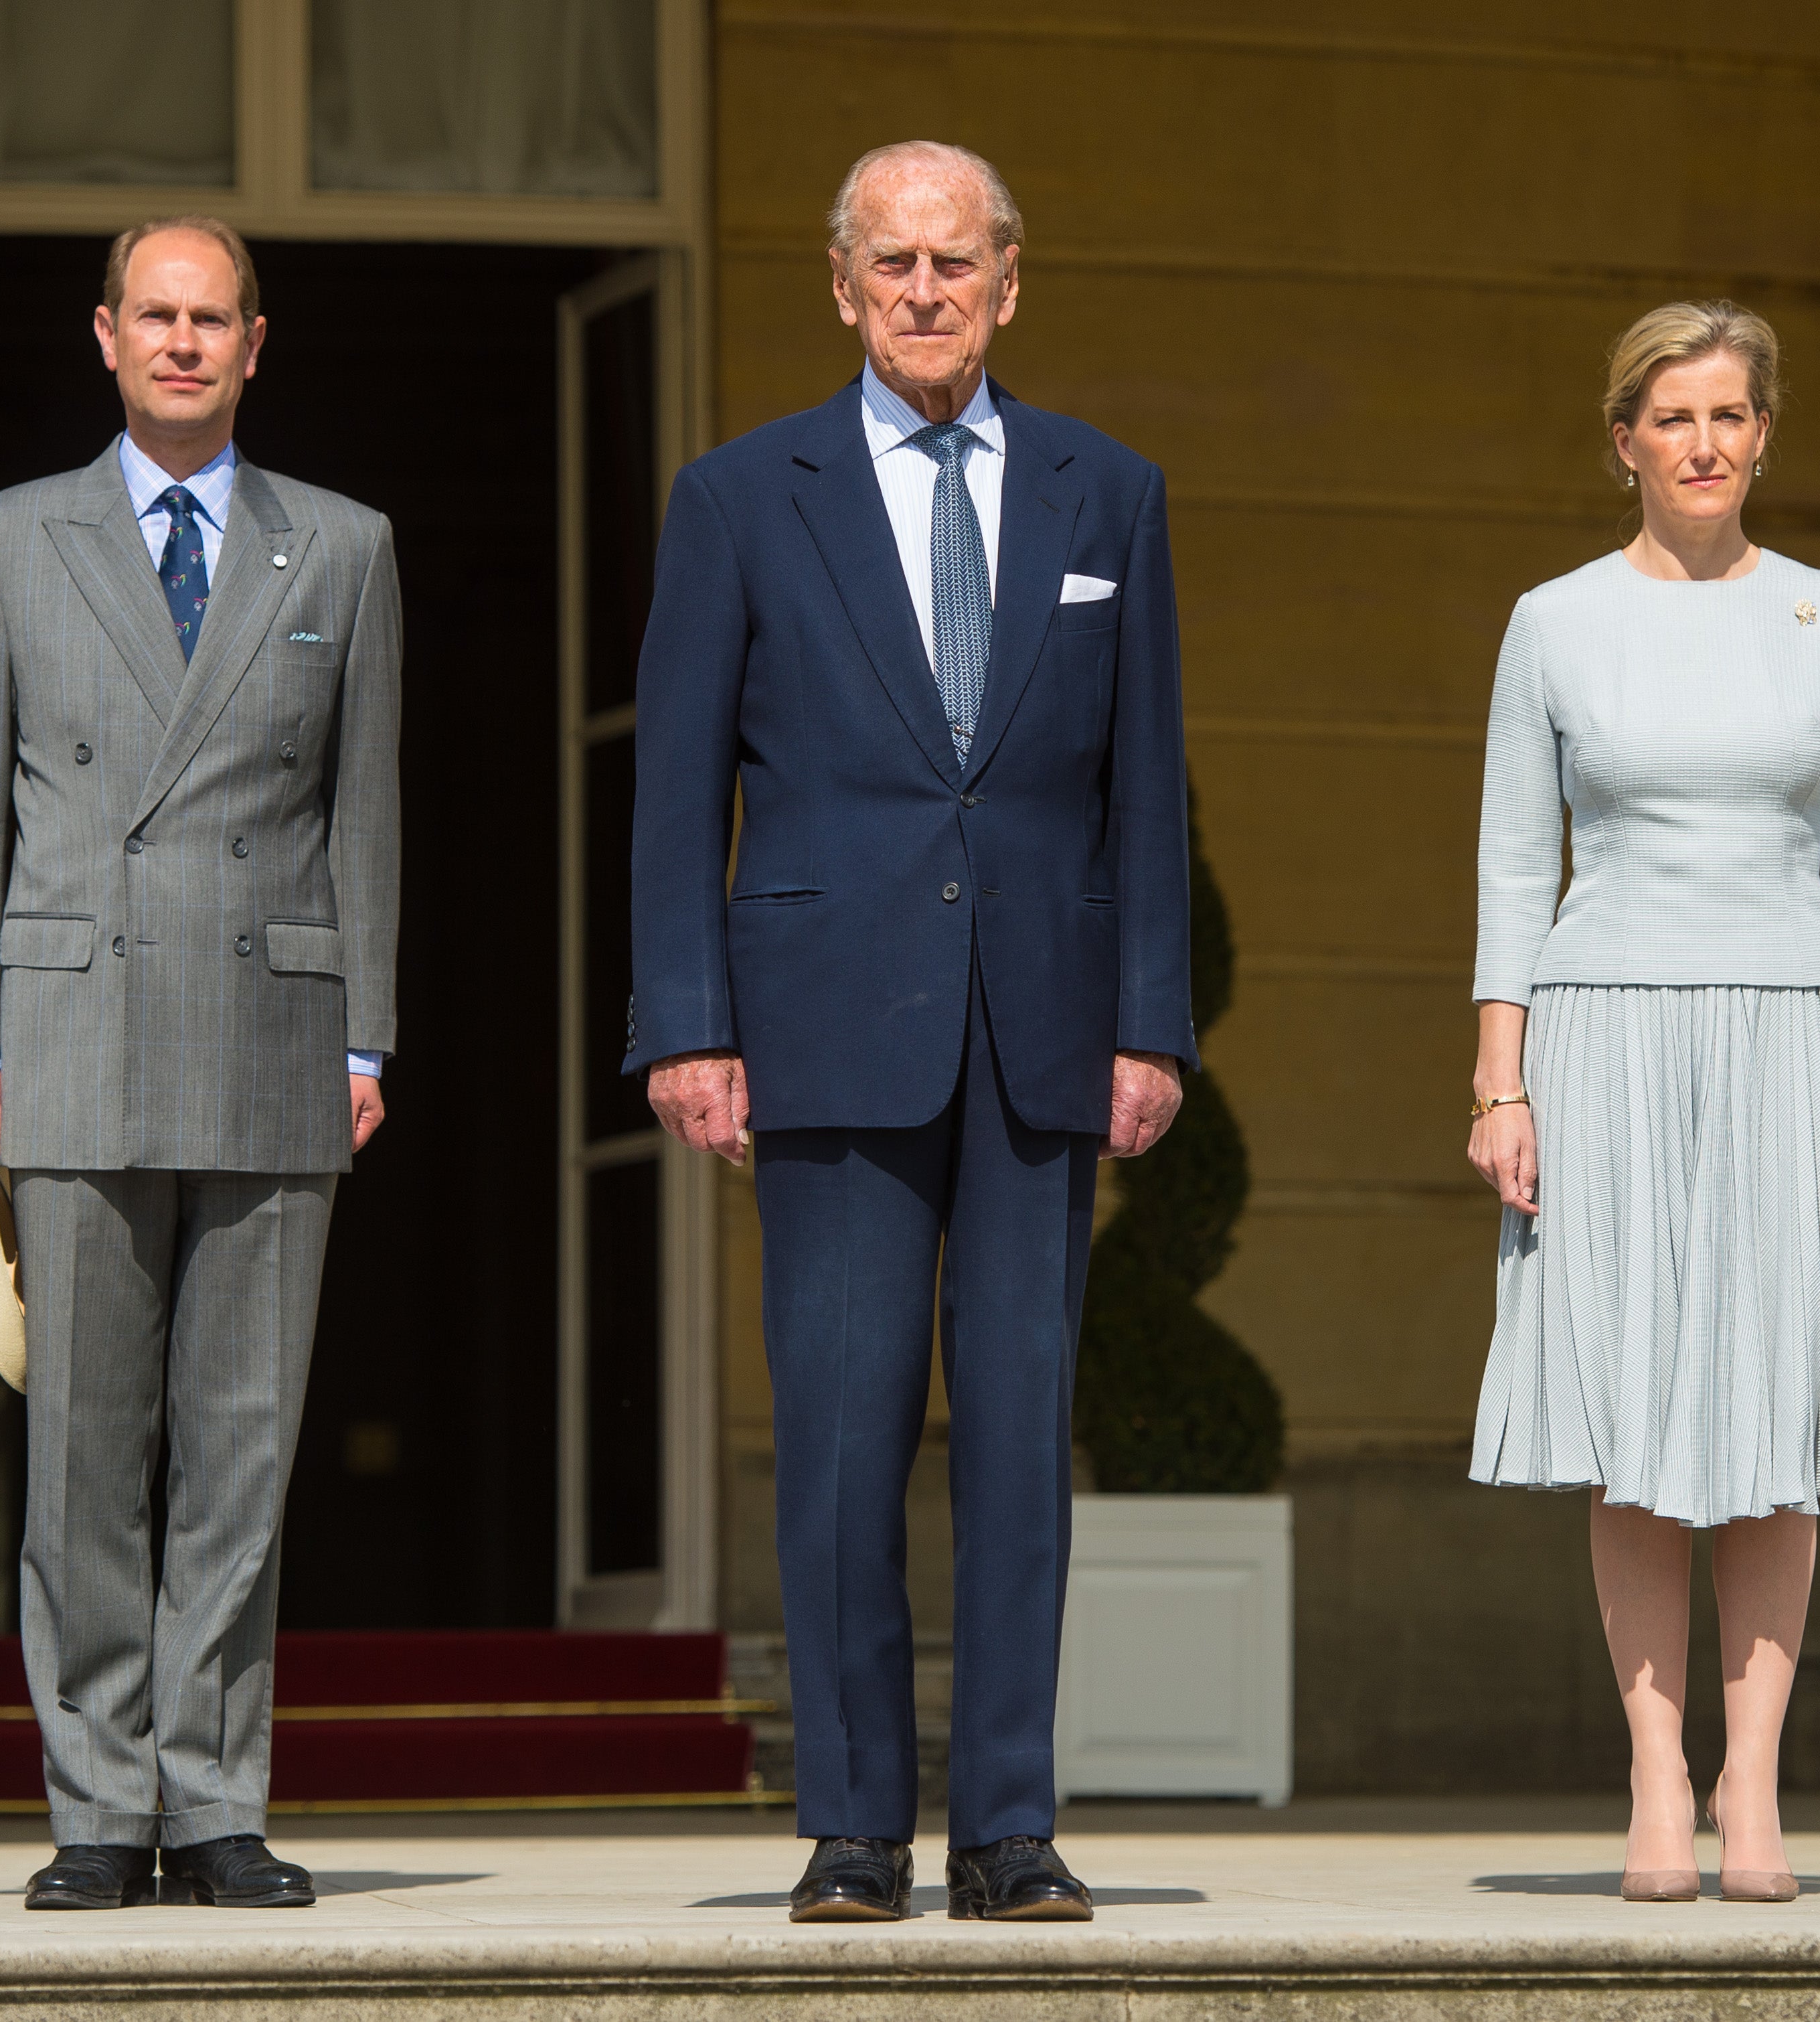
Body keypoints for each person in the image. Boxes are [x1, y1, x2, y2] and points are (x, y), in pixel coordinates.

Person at [627, 141, 1192, 1924]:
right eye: (895, 264)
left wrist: (1151, 1022)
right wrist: (685, 1024)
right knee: (847, 1435)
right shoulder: (739, 497)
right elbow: (668, 792)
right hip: (821, 1026)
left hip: (1044, 1032)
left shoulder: (1111, 494)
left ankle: (1009, 1825)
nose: (926, 292)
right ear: (842, 282)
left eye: (957, 263)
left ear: (1010, 281)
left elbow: (1146, 791)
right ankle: (857, 1823)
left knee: (1020, 1443)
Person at [0, 216, 400, 1913]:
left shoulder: (341, 547)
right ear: (104, 334)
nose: (184, 342)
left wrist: (365, 1028)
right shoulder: (1, 542)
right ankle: (100, 1811)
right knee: (87, 1456)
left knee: (242, 1452)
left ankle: (216, 1803)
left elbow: (367, 810)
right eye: (157, 315)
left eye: (215, 319)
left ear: (256, 345)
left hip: (275, 1026)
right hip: (73, 1025)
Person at [1465, 301, 1820, 1905]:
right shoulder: (1550, 621)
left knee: (1772, 1426)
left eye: (1731, 416)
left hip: (1790, 1035)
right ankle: (1654, 1776)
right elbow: (1513, 865)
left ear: (1762, 435)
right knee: (1635, 1429)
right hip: (1602, 1035)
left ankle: (1753, 1782)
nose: (1704, 444)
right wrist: (1499, 1078)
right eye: (1673, 417)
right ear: (1625, 439)